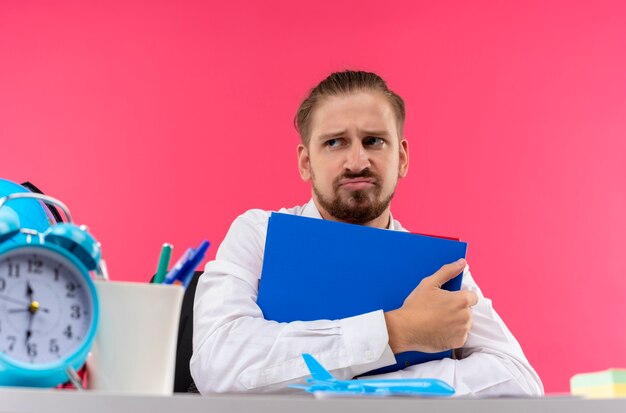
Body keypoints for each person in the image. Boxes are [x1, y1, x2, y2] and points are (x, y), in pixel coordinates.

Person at [190, 70, 543, 396]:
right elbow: (217, 364)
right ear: (305, 162)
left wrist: (360, 393)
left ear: (402, 158)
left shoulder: (434, 267)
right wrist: (397, 331)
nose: (357, 162)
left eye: (374, 141)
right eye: (334, 143)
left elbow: (518, 380)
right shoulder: (259, 235)